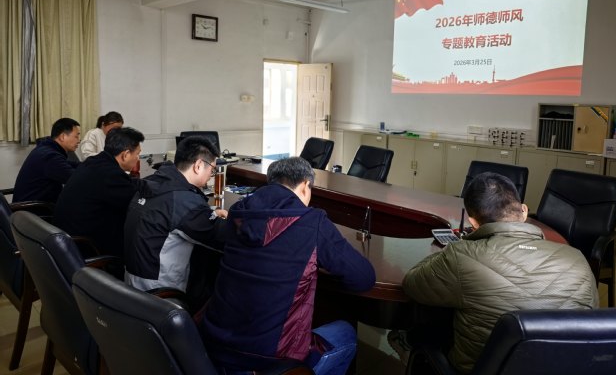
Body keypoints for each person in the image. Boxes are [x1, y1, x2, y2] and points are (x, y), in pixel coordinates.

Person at [389, 172, 599, 373]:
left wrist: (455, 249)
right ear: (524, 211)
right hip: (566, 368)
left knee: (427, 325)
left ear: (472, 222)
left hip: (482, 369)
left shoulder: (462, 256)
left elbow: (412, 284)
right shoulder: (577, 259)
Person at [198, 156, 376, 375]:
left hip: (214, 345)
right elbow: (363, 278)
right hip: (271, 359)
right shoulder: (312, 221)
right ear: (305, 185)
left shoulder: (238, 213)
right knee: (346, 333)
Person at [123, 136, 227, 298]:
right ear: (198, 165)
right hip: (159, 294)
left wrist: (210, 213)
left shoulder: (152, 182)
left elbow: (170, 212)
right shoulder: (183, 200)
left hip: (131, 281)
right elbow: (222, 236)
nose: (211, 175)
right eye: (212, 170)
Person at [53, 127, 145, 257]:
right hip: (87, 247)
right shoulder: (111, 175)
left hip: (68, 239)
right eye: (137, 154)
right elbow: (137, 203)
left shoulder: (94, 162)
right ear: (125, 155)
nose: (138, 158)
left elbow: (126, 185)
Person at [12, 118, 81, 204]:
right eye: (76, 136)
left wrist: (90, 165)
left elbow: (68, 164)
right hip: (34, 209)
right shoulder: (50, 156)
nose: (79, 140)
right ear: (63, 137)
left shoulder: (47, 149)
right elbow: (77, 179)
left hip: (33, 205)